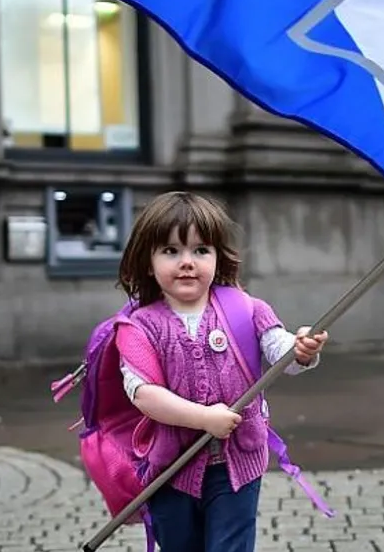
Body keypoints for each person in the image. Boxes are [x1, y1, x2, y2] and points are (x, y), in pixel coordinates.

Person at [115, 191, 328, 552]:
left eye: (201, 250)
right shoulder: (139, 326)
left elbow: (280, 353)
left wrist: (301, 349)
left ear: (218, 257)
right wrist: (203, 418)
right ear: (148, 262)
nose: (187, 262)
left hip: (237, 467)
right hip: (171, 470)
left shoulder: (247, 309)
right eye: (171, 251)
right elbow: (144, 393)